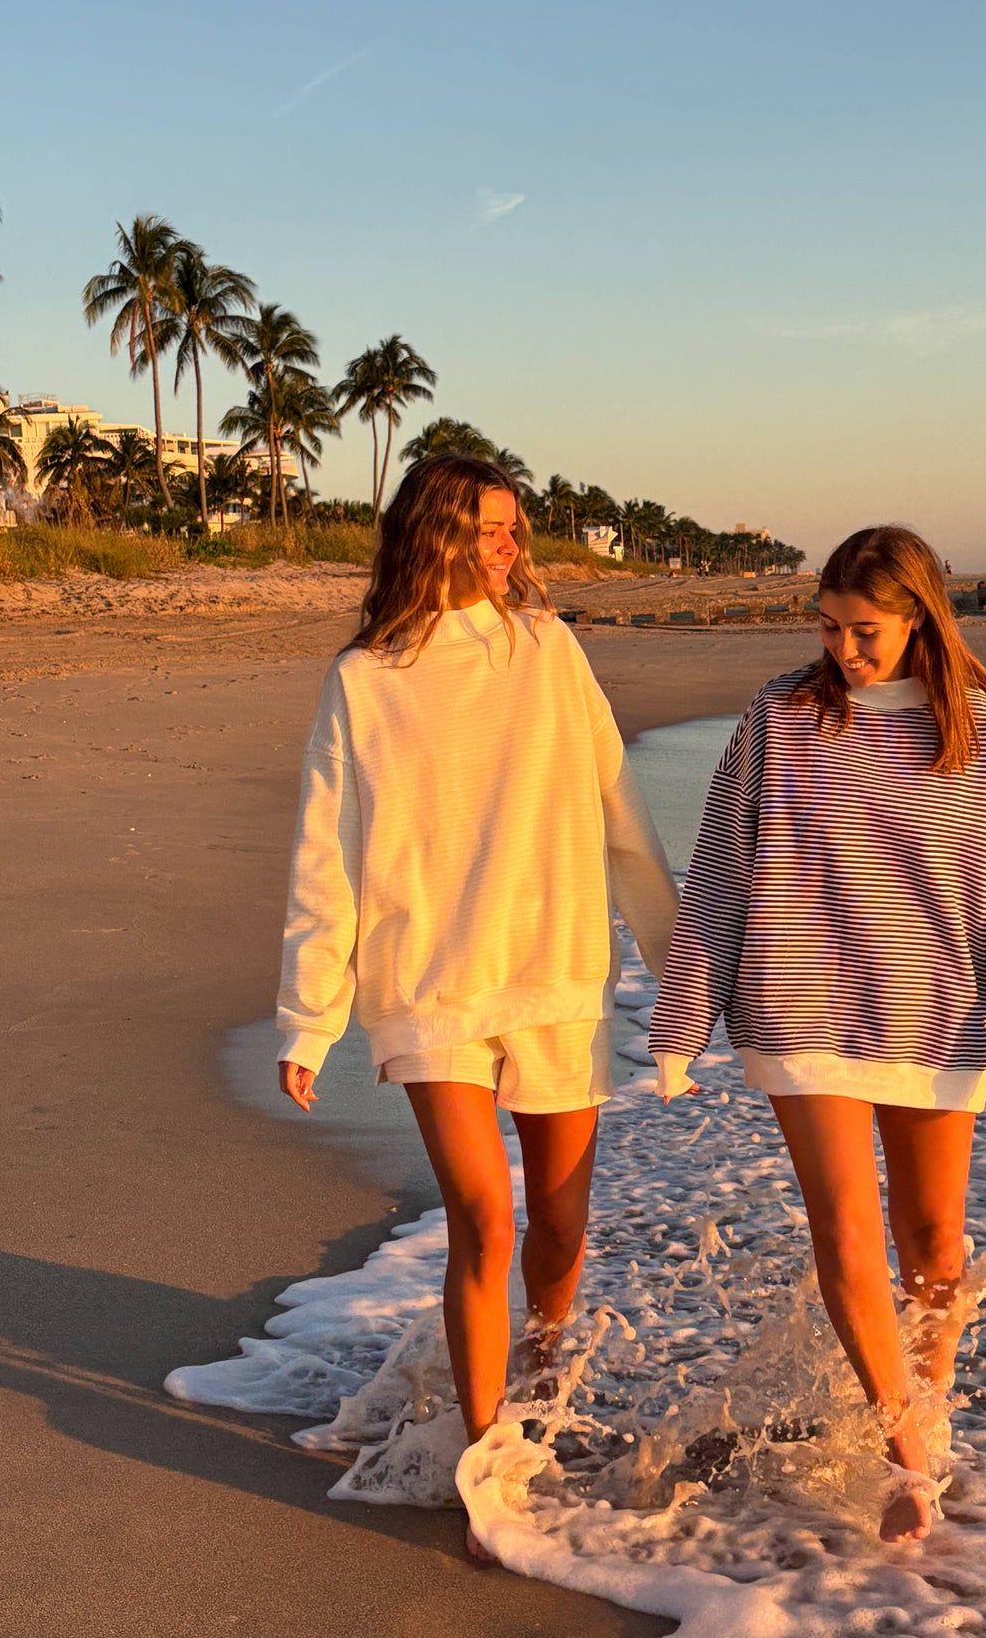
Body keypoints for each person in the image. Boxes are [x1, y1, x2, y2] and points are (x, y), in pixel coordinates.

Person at [276, 455, 678, 1557]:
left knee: (556, 1227)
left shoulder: (547, 649)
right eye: (489, 531)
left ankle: (538, 1392)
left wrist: (678, 965)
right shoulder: (365, 677)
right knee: (483, 1217)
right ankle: (487, 1459)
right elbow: (326, 854)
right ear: (436, 535)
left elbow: (620, 811)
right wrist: (310, 1014)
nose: (509, 549)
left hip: (553, 966)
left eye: (514, 531)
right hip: (428, 982)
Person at [649, 524, 986, 1546]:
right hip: (799, 1007)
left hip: (932, 1016)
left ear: (919, 617)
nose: (844, 650)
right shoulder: (781, 717)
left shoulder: (974, 728)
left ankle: (913, 1412)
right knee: (844, 1232)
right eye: (830, 628)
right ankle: (908, 1458)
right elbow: (718, 869)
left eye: (865, 631)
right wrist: (681, 1023)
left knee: (934, 1249)